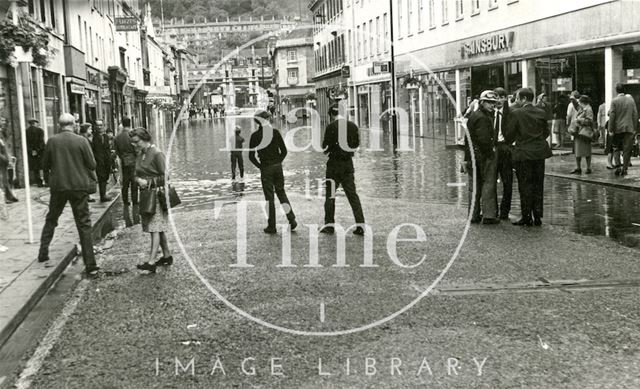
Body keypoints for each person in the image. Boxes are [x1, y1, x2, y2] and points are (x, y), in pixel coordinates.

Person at [37, 113, 100, 276]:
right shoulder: (82, 141)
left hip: (59, 186)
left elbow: (45, 164)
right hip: (79, 187)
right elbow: (92, 164)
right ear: (74, 125)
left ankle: (43, 252)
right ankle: (91, 264)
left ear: (59, 125)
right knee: (84, 224)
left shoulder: (52, 141)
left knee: (52, 218)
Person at [505, 88, 553, 227]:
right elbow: (545, 132)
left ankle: (526, 216)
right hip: (539, 153)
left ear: (524, 99)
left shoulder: (517, 113)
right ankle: (537, 216)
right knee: (538, 184)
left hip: (523, 154)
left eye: (518, 98)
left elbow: (509, 134)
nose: (517, 101)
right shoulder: (541, 112)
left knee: (525, 185)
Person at [319, 103, 365, 235]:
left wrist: (329, 150)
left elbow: (325, 146)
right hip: (347, 165)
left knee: (330, 196)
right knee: (353, 196)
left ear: (332, 114)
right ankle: (360, 225)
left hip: (333, 165)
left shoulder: (330, 127)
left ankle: (329, 226)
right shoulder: (353, 126)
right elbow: (356, 144)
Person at [131, 128, 173, 273]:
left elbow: (166, 176)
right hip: (145, 195)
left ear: (145, 139)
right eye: (133, 142)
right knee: (156, 228)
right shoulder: (141, 154)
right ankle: (166, 255)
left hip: (156, 195)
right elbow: (135, 174)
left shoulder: (156, 154)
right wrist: (138, 180)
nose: (134, 145)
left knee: (154, 228)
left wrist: (148, 183)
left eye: (137, 142)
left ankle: (151, 261)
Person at [248, 110, 297, 234]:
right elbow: (284, 151)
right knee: (281, 193)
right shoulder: (275, 132)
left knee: (269, 198)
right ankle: (291, 219)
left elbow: (251, 156)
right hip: (277, 167)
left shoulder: (255, 136)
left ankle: (272, 226)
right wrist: (278, 162)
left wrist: (260, 167)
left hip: (266, 168)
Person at [464, 90, 499, 225]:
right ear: (482, 102)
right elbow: (484, 139)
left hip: (473, 156)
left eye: (493, 103)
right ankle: (489, 215)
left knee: (474, 186)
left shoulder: (474, 116)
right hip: (484, 156)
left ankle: (473, 214)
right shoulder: (484, 118)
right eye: (489, 102)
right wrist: (490, 153)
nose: (492, 105)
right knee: (488, 184)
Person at [608, 83, 639, 176]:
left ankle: (618, 166)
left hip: (617, 128)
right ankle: (624, 168)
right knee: (627, 149)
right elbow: (635, 114)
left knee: (616, 147)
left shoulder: (614, 101)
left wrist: (610, 129)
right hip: (629, 128)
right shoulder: (631, 100)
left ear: (616, 90)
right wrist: (634, 127)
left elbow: (612, 116)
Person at [493, 88, 513, 220]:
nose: (499, 100)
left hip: (505, 148)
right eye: (496, 97)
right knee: (491, 180)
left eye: (501, 97)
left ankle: (504, 211)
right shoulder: (489, 113)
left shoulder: (511, 113)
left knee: (507, 181)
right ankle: (492, 210)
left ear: (506, 98)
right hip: (493, 149)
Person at [114, 118, 139, 220]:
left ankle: (125, 202)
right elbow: (136, 149)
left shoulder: (117, 137)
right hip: (133, 161)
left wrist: (123, 157)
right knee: (134, 182)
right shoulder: (132, 136)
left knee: (125, 182)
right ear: (130, 124)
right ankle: (134, 201)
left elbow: (117, 151)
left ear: (122, 124)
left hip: (124, 161)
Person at [571, 96, 594, 174]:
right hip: (579, 132)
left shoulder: (588, 109)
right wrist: (573, 100)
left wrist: (579, 120)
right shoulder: (582, 108)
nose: (579, 104)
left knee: (587, 151)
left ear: (582, 102)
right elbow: (576, 106)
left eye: (579, 102)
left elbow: (590, 121)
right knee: (577, 150)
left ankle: (588, 167)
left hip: (585, 132)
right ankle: (578, 167)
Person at [91, 120, 113, 202]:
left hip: (106, 161)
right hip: (99, 161)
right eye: (98, 125)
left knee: (105, 177)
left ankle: (104, 193)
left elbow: (107, 149)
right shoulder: (94, 137)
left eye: (101, 125)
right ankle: (102, 195)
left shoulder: (105, 137)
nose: (99, 127)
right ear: (95, 127)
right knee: (101, 178)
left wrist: (110, 160)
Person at [0, 120, 18, 203]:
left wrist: (9, 159)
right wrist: (6, 159)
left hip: (3, 161)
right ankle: (5, 197)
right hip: (2, 160)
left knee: (5, 179)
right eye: (2, 122)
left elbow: (5, 148)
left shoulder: (3, 134)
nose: (4, 124)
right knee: (2, 179)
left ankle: (8, 196)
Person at [26, 118, 46, 187]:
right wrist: (38, 150)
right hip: (40, 152)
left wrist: (32, 150)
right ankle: (47, 181)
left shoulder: (26, 131)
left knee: (35, 168)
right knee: (44, 166)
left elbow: (27, 143)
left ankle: (39, 183)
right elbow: (41, 142)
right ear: (35, 123)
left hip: (31, 152)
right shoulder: (40, 130)